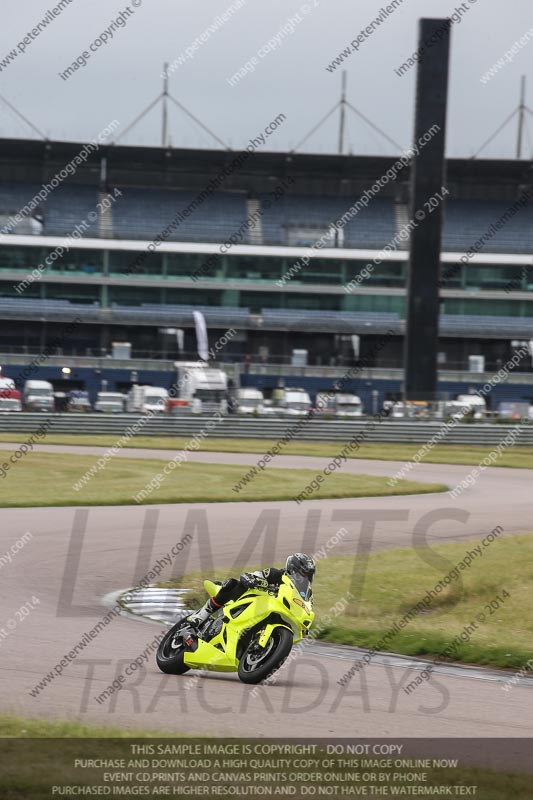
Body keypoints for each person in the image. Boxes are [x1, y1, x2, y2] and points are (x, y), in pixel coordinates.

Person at [187, 553, 316, 627]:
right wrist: (252, 580)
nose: (304, 578)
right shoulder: (276, 574)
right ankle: (201, 615)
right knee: (232, 584)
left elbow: (308, 608)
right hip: (250, 600)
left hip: (272, 612)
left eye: (307, 575)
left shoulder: (307, 594)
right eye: (302, 574)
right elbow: (250, 575)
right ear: (292, 569)